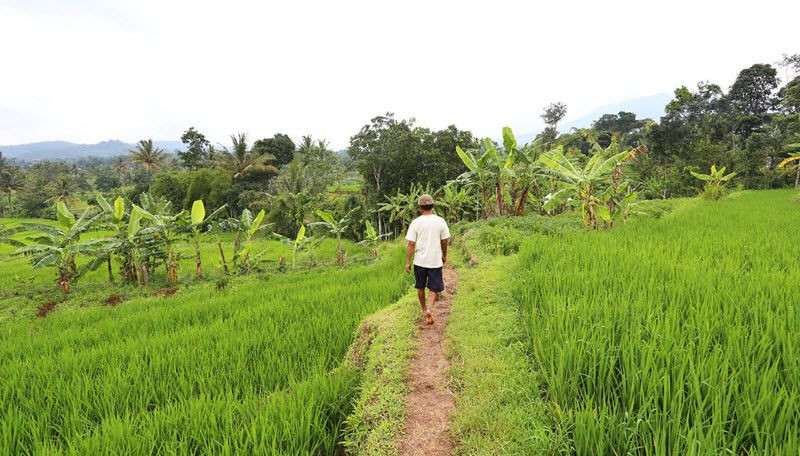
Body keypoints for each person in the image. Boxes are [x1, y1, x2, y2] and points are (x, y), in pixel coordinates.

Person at [405, 194, 451, 325]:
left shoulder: (416, 222)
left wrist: (408, 262)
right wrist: (444, 255)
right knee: (433, 288)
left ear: (420, 207)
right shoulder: (440, 221)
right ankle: (430, 309)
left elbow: (411, 244)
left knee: (420, 287)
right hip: (435, 261)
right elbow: (444, 241)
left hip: (419, 261)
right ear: (433, 205)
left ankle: (424, 309)